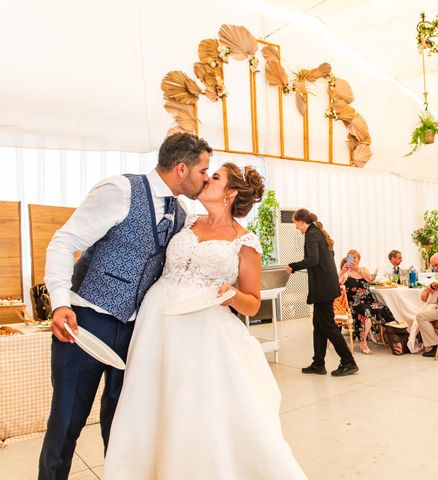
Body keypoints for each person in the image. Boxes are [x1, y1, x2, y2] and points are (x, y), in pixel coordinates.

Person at [104, 163, 307, 479]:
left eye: (215, 178)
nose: (206, 180)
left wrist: (231, 296)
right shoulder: (186, 221)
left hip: (201, 331)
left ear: (230, 193)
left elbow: (252, 303)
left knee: (191, 406)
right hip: (155, 323)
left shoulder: (246, 242)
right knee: (148, 401)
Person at [39, 133, 211, 480]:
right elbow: (63, 241)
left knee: (122, 428)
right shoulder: (120, 190)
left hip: (136, 332)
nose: (206, 178)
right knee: (66, 424)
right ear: (181, 169)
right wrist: (59, 304)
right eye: (204, 170)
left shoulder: (179, 213)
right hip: (86, 323)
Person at [286, 209, 359, 377]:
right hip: (325, 286)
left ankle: (349, 361)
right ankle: (318, 363)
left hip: (323, 288)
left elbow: (313, 260)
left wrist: (293, 266)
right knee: (318, 326)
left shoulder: (312, 235)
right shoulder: (318, 233)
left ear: (301, 221)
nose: (296, 228)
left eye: (296, 224)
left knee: (328, 327)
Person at [338, 250, 396, 354]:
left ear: (359, 260)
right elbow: (337, 283)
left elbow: (369, 279)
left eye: (355, 258)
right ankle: (363, 342)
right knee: (366, 312)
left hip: (368, 300)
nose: (353, 260)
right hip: (354, 303)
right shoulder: (346, 272)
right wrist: (342, 272)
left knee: (383, 308)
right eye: (350, 258)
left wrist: (359, 271)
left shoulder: (363, 270)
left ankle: (392, 336)